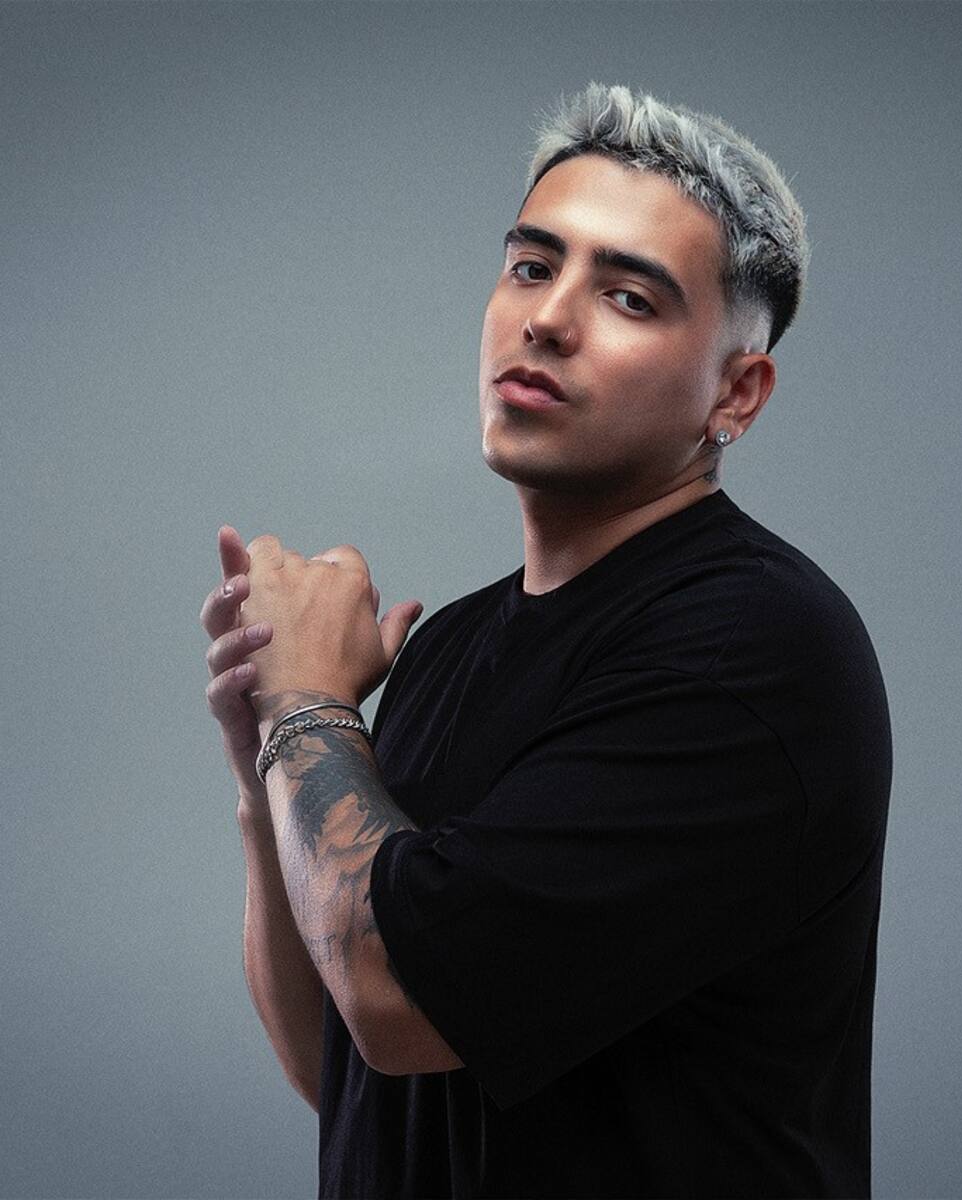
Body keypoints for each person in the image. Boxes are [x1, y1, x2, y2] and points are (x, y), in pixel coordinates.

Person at [199, 81, 892, 1199]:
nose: (549, 318)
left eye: (627, 296)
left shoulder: (756, 646)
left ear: (738, 393)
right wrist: (264, 769)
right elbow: (346, 1062)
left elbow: (398, 997)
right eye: (531, 266)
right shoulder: (449, 646)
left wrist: (309, 711)